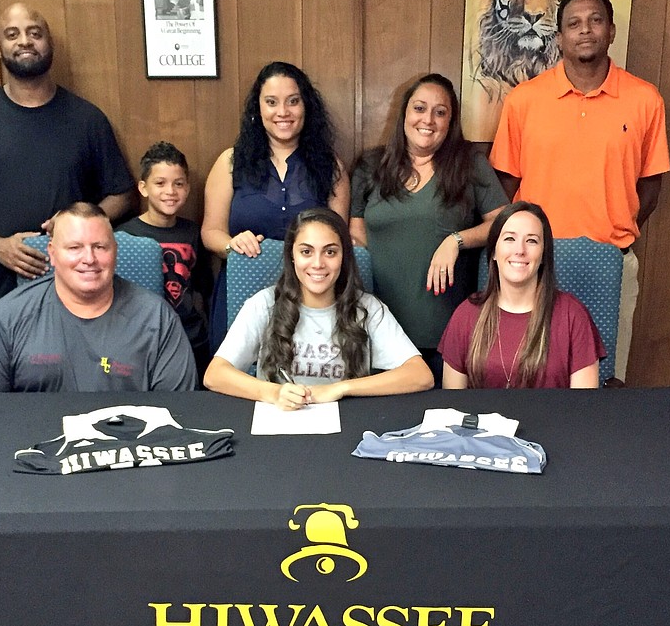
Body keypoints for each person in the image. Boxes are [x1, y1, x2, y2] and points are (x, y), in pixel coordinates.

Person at [489, 0, 670, 383]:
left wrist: (618, 231)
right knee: (532, 375)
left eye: (595, 21)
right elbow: (504, 182)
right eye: (573, 23)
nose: (584, 30)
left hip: (611, 259)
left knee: (606, 380)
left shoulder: (644, 100)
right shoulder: (524, 100)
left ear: (611, 31)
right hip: (534, 264)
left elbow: (651, 185)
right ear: (560, 38)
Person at [0, 2, 135, 325]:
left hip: (78, 293)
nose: (25, 42)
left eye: (35, 33)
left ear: (50, 43)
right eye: (12, 34)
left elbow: (122, 194)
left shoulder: (87, 119)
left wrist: (75, 221)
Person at [350, 73, 507, 382]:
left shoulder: (470, 165)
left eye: (441, 112)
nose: (429, 120)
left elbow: (504, 225)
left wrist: (456, 240)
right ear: (405, 114)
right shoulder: (371, 166)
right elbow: (355, 233)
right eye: (420, 108)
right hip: (378, 331)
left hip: (445, 335)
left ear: (451, 121)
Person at [204, 208, 433, 408]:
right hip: (279, 419)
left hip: (349, 421)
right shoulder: (263, 304)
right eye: (306, 252)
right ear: (292, 256)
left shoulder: (367, 308)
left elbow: (420, 375)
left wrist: (340, 389)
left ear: (344, 257)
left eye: (330, 252)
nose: (318, 263)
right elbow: (215, 375)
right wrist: (274, 393)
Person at [0, 203, 196, 393]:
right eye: (74, 248)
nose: (89, 259)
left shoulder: (159, 319)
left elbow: (178, 415)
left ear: (115, 251)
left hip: (126, 448)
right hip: (32, 448)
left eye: (100, 247)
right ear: (52, 253)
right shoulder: (5, 319)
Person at [202, 61, 350, 350]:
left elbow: (339, 241)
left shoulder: (331, 168)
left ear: (306, 107)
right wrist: (232, 244)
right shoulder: (230, 163)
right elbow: (210, 232)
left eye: (293, 101)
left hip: (313, 297)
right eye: (271, 102)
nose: (283, 112)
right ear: (258, 109)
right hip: (242, 290)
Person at [439, 202, 605, 389]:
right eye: (510, 239)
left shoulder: (573, 315)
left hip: (553, 419)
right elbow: (453, 407)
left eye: (532, 241)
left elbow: (583, 407)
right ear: (493, 251)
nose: (520, 250)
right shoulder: (466, 315)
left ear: (543, 255)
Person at [117, 141, 211, 384]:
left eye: (178, 184)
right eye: (160, 183)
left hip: (190, 337)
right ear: (143, 187)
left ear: (188, 188)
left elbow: (202, 288)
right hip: (143, 339)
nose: (170, 191)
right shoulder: (124, 236)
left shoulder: (193, 232)